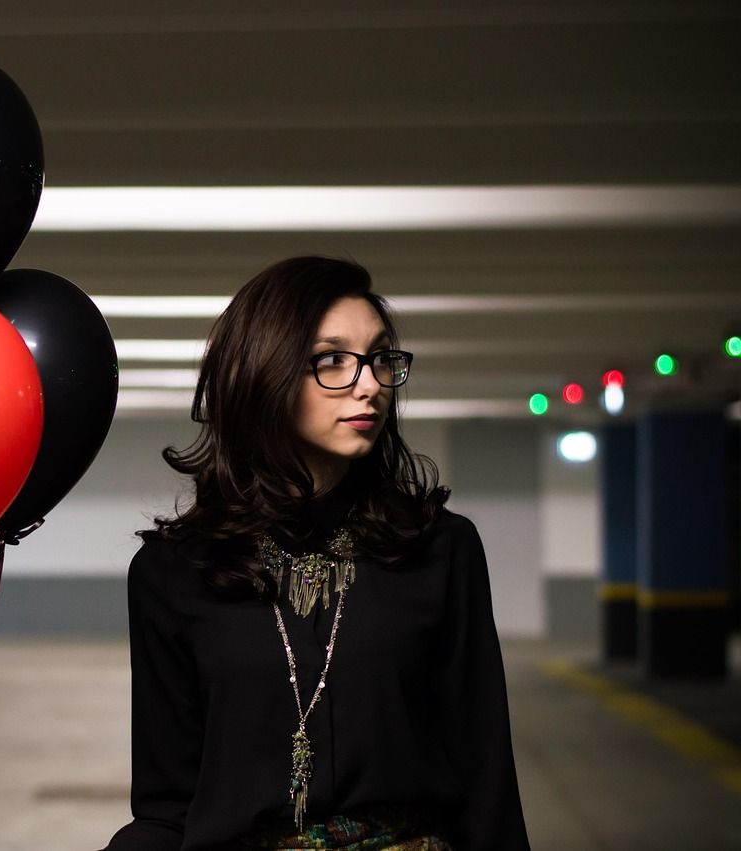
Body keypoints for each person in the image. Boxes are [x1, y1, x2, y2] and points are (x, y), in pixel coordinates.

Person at [103, 256, 531, 851]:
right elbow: (167, 806)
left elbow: (487, 786)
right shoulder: (174, 571)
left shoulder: (439, 549)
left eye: (380, 359)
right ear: (264, 373)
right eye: (332, 360)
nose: (370, 385)